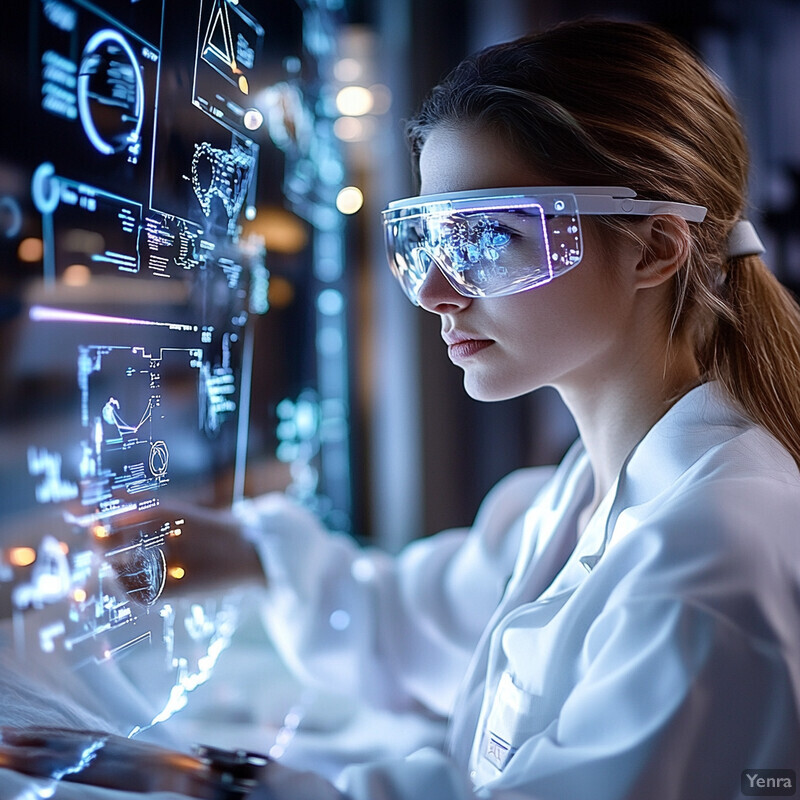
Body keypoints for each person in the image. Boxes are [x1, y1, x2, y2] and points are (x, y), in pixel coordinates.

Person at [82, 16, 798, 800]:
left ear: (657, 248)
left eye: (488, 239)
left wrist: (219, 785)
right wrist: (252, 554)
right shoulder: (584, 491)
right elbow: (415, 623)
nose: (433, 291)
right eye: (426, 240)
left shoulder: (709, 560)